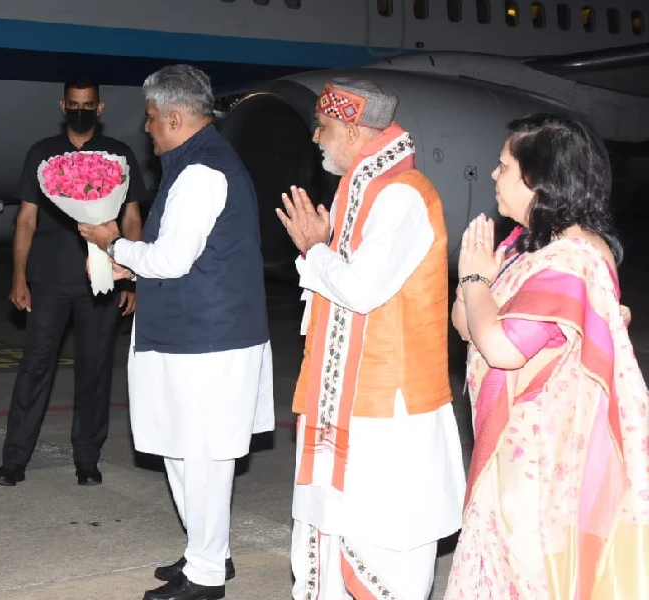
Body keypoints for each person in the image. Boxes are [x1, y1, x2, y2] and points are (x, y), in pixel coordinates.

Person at [79, 64, 275, 600]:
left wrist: (114, 242)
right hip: (192, 334)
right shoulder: (194, 164)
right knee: (181, 450)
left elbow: (170, 257)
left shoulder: (202, 170)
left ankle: (208, 576)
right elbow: (179, 254)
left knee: (203, 456)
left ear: (174, 117)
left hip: (208, 340)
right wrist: (129, 263)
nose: (146, 129)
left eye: (150, 119)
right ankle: (205, 552)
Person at [446, 113, 649, 599]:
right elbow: (466, 326)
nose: (493, 175)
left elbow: (499, 346)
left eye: (503, 166)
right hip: (514, 453)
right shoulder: (530, 246)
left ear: (538, 180)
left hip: (540, 466)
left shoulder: (572, 261)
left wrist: (475, 281)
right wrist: (475, 286)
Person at [276, 78, 465, 599]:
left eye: (326, 127)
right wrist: (317, 250)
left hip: (388, 413)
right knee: (331, 535)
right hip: (347, 403)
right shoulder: (356, 194)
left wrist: (316, 251)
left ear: (355, 131)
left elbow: (359, 290)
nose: (316, 138)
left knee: (386, 548)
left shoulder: (403, 196)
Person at [0, 76, 146, 487]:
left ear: (99, 108)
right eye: (74, 104)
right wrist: (19, 277)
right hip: (48, 280)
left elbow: (131, 218)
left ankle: (87, 459)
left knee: (95, 372)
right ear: (64, 107)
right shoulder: (42, 154)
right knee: (34, 368)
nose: (81, 110)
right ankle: (14, 460)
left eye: (88, 104)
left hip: (103, 281)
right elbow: (25, 218)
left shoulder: (119, 155)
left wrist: (131, 277)